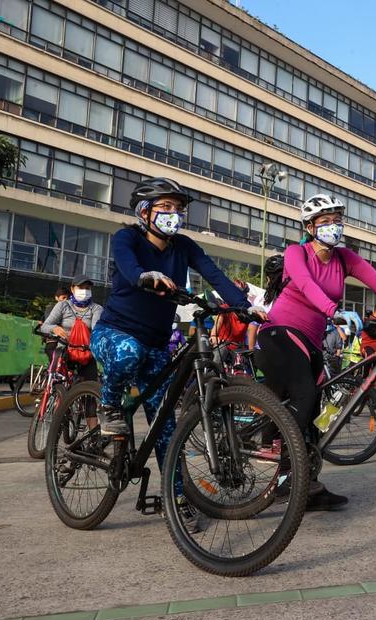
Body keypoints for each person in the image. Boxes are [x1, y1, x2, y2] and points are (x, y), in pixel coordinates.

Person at [254, 193, 376, 511]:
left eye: (337, 220)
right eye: (325, 221)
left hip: (312, 341)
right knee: (303, 394)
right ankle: (285, 477)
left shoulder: (345, 258)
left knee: (314, 410)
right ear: (310, 226)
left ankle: (308, 485)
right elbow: (304, 284)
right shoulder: (295, 252)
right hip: (279, 334)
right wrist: (335, 311)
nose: (333, 227)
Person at [91, 177, 259, 530]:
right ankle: (109, 407)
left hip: (155, 344)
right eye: (165, 208)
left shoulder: (183, 246)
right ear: (144, 211)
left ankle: (177, 498)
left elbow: (213, 274)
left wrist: (244, 306)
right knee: (127, 353)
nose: (174, 215)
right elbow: (127, 265)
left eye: (178, 209)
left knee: (167, 429)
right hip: (114, 332)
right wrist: (145, 276)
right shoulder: (127, 238)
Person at [41, 275, 103, 426]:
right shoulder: (63, 306)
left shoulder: (97, 308)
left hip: (86, 353)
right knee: (58, 380)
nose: (84, 291)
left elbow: (96, 330)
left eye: (87, 288)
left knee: (90, 392)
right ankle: (56, 401)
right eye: (81, 288)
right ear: (72, 289)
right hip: (64, 351)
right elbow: (45, 326)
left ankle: (92, 438)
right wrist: (55, 328)